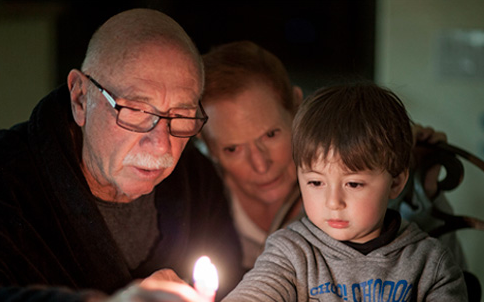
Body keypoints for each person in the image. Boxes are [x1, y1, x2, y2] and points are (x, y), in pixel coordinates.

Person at [0, 9, 242, 302]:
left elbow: (234, 296)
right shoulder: (1, 178)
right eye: (136, 111)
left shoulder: (195, 177)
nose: (162, 144)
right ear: (81, 98)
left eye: (182, 117)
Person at [211, 83, 482, 302]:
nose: (332, 202)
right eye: (316, 182)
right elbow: (256, 299)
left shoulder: (428, 260)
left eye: (353, 184)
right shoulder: (290, 252)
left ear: (396, 182)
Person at [200, 40, 466, 271]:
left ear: (296, 106)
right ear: (205, 143)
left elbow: (449, 295)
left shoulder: (368, 185)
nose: (260, 165)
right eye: (232, 149)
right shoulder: (200, 203)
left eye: (271, 135)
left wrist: (423, 189)